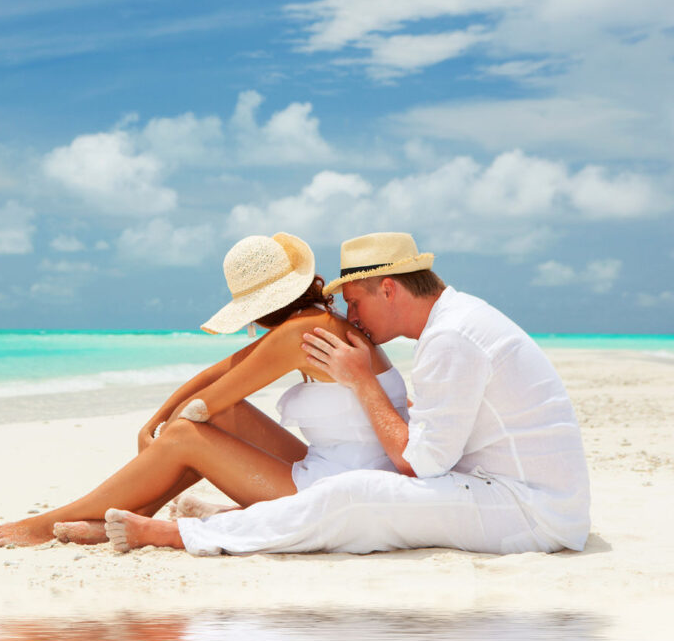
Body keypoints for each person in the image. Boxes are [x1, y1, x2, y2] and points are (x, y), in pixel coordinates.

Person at [103, 231, 591, 556]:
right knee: (352, 496)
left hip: (532, 513)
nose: (351, 318)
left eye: (356, 302)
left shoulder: (451, 337)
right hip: (522, 495)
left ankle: (181, 536)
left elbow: (418, 464)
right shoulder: (457, 322)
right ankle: (227, 519)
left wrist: (361, 381)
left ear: (390, 291)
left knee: (354, 494)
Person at [0, 231, 408, 547]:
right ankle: (129, 511)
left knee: (188, 433)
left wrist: (166, 431)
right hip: (348, 466)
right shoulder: (315, 321)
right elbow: (218, 373)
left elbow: (206, 404)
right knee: (204, 423)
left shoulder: (300, 333)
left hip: (338, 487)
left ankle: (54, 521)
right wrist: (152, 422)